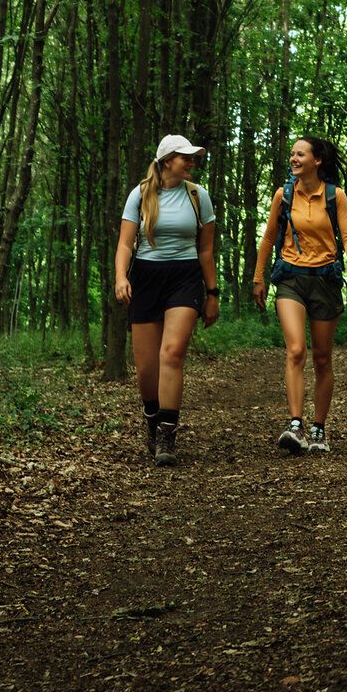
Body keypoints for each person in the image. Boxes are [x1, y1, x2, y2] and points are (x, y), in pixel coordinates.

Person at [114, 134, 219, 467]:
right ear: (166, 161)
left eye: (192, 157)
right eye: (184, 157)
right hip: (146, 277)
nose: (191, 162)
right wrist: (121, 277)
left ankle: (167, 436)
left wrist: (212, 293)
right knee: (147, 369)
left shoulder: (198, 196)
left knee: (171, 353)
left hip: (185, 278)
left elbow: (205, 250)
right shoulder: (141, 194)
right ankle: (151, 418)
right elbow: (126, 244)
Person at [252, 136, 347, 454]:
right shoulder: (283, 195)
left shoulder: (334, 196)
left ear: (317, 161)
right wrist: (259, 277)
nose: (294, 158)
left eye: (301, 154)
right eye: (292, 154)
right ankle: (296, 424)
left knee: (323, 359)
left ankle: (319, 429)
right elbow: (270, 236)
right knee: (296, 349)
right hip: (291, 279)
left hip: (325, 279)